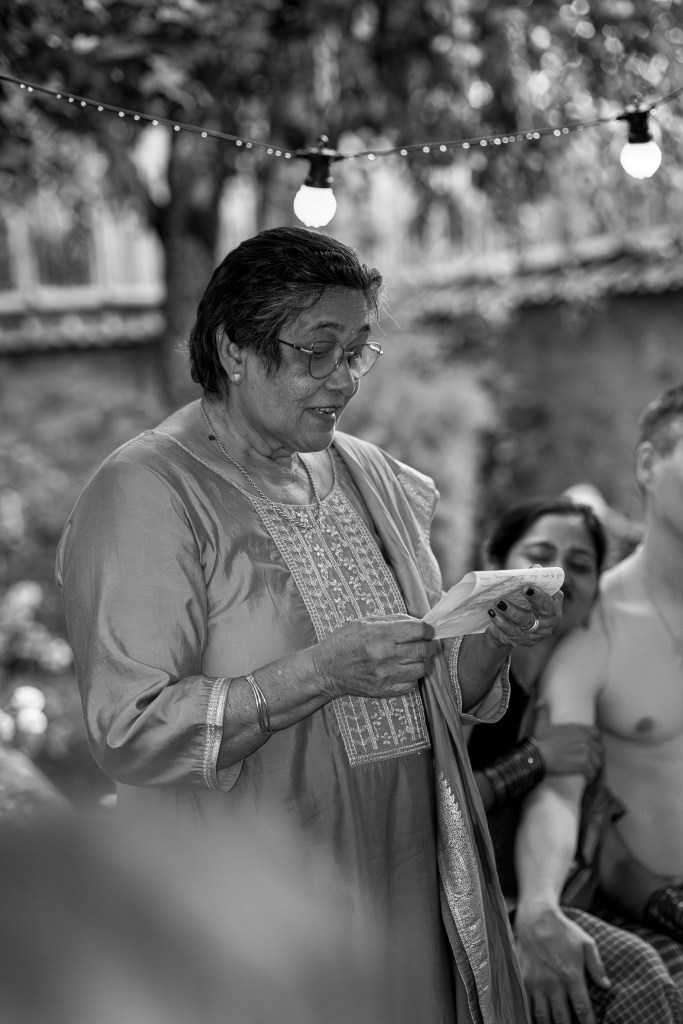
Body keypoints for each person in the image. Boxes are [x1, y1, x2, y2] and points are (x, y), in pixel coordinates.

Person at [56, 226, 562, 1024]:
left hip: (412, 878)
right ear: (232, 349)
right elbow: (130, 730)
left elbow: (432, 699)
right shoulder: (146, 492)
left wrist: (492, 632)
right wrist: (321, 672)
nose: (341, 380)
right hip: (261, 913)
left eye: (358, 350)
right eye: (314, 351)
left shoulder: (368, 472)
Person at [468, 496, 683, 1024]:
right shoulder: (465, 675)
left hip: (550, 900)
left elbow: (602, 844)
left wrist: (672, 909)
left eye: (578, 566)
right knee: (634, 968)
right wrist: (531, 760)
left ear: (592, 594)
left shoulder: (568, 693)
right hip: (458, 901)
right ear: (496, 564)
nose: (554, 575)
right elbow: (423, 801)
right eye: (538, 555)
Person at [514, 385, 683, 1024]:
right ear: (647, 465)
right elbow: (558, 792)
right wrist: (537, 905)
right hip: (653, 904)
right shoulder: (595, 629)